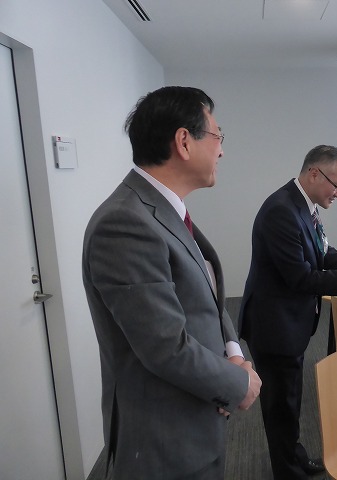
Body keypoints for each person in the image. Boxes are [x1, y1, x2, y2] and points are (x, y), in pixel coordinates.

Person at [82, 86, 261, 480]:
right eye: (217, 136)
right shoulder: (125, 223)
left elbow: (207, 297)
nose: (221, 151)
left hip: (195, 416)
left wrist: (232, 351)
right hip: (163, 440)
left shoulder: (162, 210)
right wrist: (238, 382)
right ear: (184, 141)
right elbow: (164, 346)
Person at [239, 145, 337, 479]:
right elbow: (302, 278)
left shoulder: (303, 205)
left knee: (289, 399)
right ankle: (288, 472)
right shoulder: (281, 211)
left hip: (288, 322)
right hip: (274, 326)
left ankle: (295, 459)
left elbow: (321, 253)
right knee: (281, 406)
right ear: (313, 174)